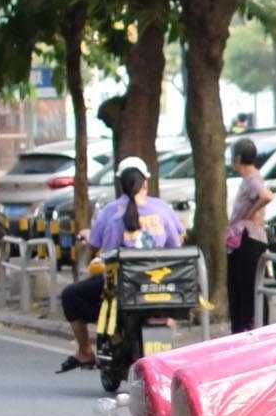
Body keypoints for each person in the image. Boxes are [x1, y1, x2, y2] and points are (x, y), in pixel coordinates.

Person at [57, 158, 184, 374]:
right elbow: (176, 245)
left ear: (120, 183)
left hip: (122, 289)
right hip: (160, 286)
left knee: (70, 295)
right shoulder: (162, 209)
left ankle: (86, 351)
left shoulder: (112, 214)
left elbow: (105, 255)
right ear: (145, 182)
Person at [223, 136, 271, 333]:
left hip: (248, 241)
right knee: (247, 286)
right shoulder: (251, 177)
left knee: (245, 287)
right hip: (249, 239)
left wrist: (249, 214)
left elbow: (266, 196)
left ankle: (247, 328)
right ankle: (248, 327)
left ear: (238, 158)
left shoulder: (251, 178)